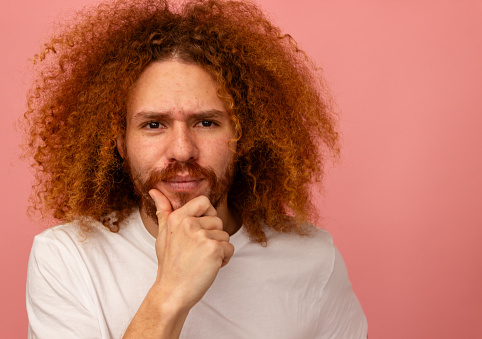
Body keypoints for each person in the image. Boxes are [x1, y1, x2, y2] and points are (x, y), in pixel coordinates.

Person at [24, 0, 368, 337]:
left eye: (206, 122)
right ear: (119, 141)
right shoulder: (66, 259)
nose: (182, 150)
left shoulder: (314, 261)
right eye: (154, 124)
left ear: (242, 134)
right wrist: (169, 295)